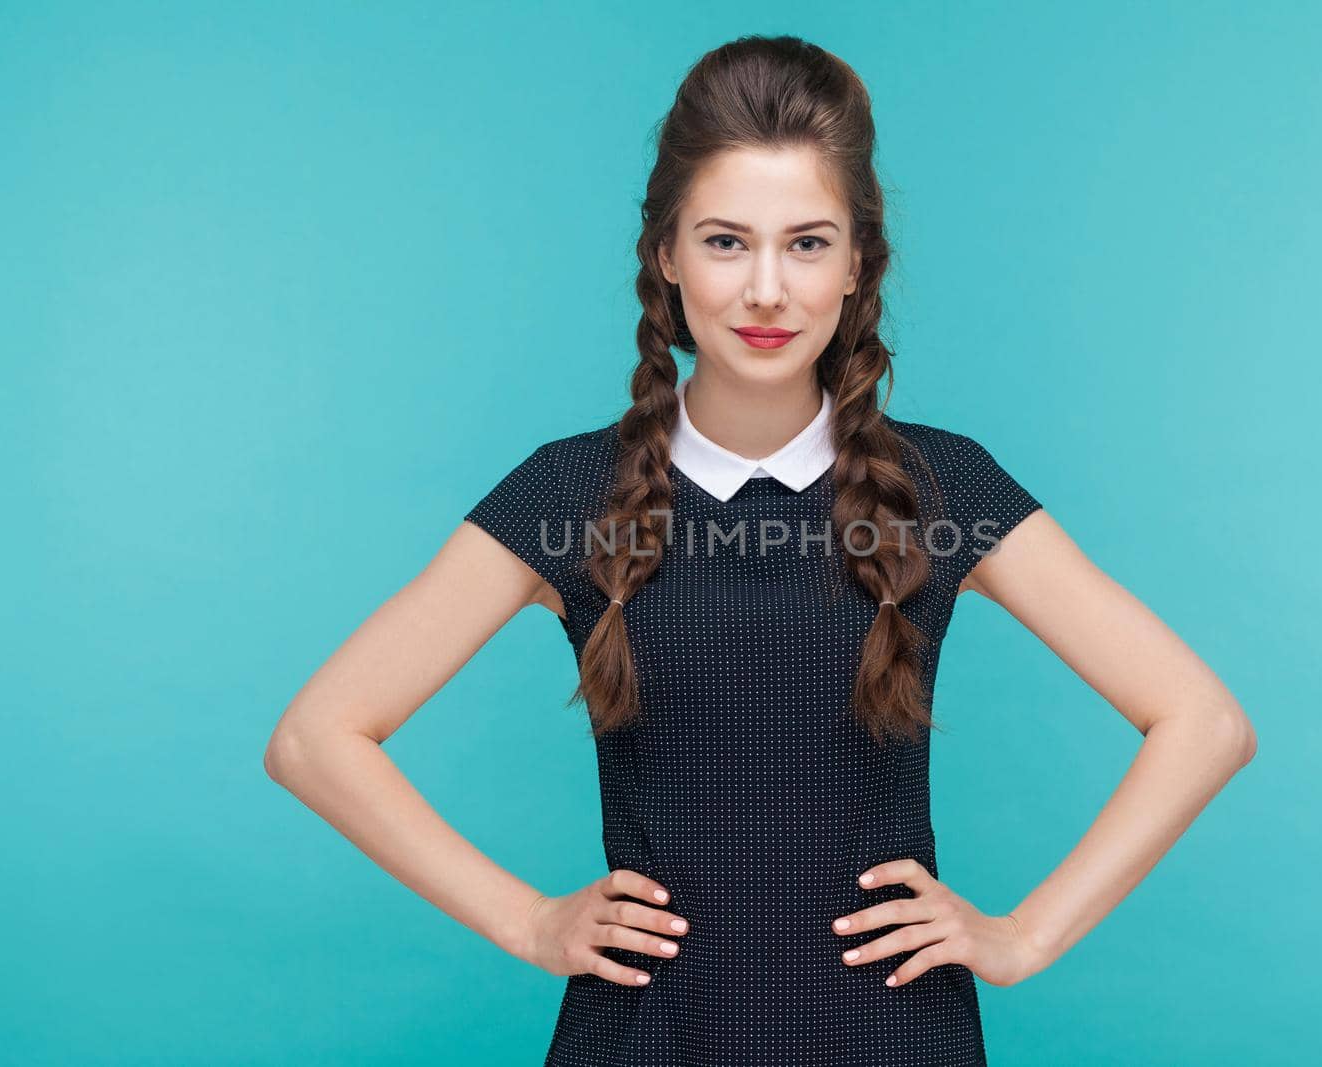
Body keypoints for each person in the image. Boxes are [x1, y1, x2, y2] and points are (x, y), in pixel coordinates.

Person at [264, 34, 1257, 1066]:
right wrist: (525, 919)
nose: (768, 291)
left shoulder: (942, 488)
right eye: (727, 242)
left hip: (889, 1036)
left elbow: (1203, 719)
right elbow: (315, 737)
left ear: (860, 262)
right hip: (646, 1037)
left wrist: (1021, 933)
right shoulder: (569, 494)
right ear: (665, 254)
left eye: (808, 243)